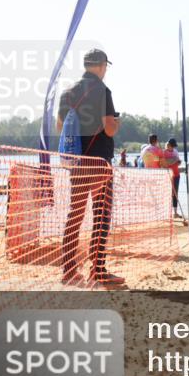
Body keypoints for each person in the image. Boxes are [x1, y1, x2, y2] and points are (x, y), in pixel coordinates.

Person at [57, 48, 124, 287]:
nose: (106, 71)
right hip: (99, 162)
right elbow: (108, 129)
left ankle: (69, 271)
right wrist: (116, 123)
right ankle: (98, 271)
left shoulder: (67, 93)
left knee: (74, 216)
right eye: (106, 66)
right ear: (101, 65)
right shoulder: (103, 91)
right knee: (101, 216)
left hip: (76, 163)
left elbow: (59, 129)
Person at [163, 139, 182, 217]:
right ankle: (167, 212)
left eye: (174, 146)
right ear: (168, 145)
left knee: (175, 193)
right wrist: (174, 160)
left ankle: (175, 212)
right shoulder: (164, 152)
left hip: (176, 175)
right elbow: (165, 163)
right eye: (172, 146)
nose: (173, 148)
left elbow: (179, 162)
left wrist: (174, 161)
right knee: (168, 193)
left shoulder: (175, 151)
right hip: (167, 175)